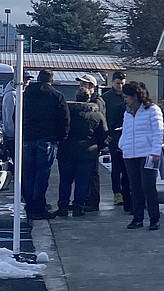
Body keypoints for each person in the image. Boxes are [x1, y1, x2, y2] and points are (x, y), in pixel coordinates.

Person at [55, 75, 108, 218]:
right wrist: (99, 146)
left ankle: (63, 207)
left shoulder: (66, 112)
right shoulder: (96, 115)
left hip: (66, 151)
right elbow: (104, 134)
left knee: (65, 181)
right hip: (87, 153)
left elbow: (59, 129)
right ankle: (79, 207)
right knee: (82, 182)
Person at [21, 69, 70, 220]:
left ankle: (30, 206)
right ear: (51, 80)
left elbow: (17, 115)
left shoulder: (25, 95)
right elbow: (64, 118)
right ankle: (39, 207)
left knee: (29, 175)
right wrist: (62, 136)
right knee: (42, 175)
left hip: (28, 138)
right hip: (47, 139)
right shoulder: (56, 96)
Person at [119, 79, 164, 230]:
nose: (125, 99)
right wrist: (123, 145)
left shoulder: (152, 110)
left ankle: (154, 219)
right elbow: (125, 131)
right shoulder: (127, 112)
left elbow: (158, 131)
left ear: (135, 96)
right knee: (135, 187)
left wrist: (155, 151)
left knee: (148, 186)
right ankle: (137, 218)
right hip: (130, 154)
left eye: (127, 97)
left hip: (148, 154)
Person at [101, 70, 131, 210]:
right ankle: (116, 192)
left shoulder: (128, 96)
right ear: (112, 82)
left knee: (127, 167)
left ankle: (127, 192)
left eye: (122, 84)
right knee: (117, 167)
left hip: (128, 136)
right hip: (114, 136)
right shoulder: (106, 98)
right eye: (118, 83)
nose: (120, 86)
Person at [1, 69, 32, 164]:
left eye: (28, 79)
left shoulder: (21, 94)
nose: (27, 81)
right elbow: (9, 117)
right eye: (24, 79)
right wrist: (13, 134)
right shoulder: (11, 95)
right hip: (14, 137)